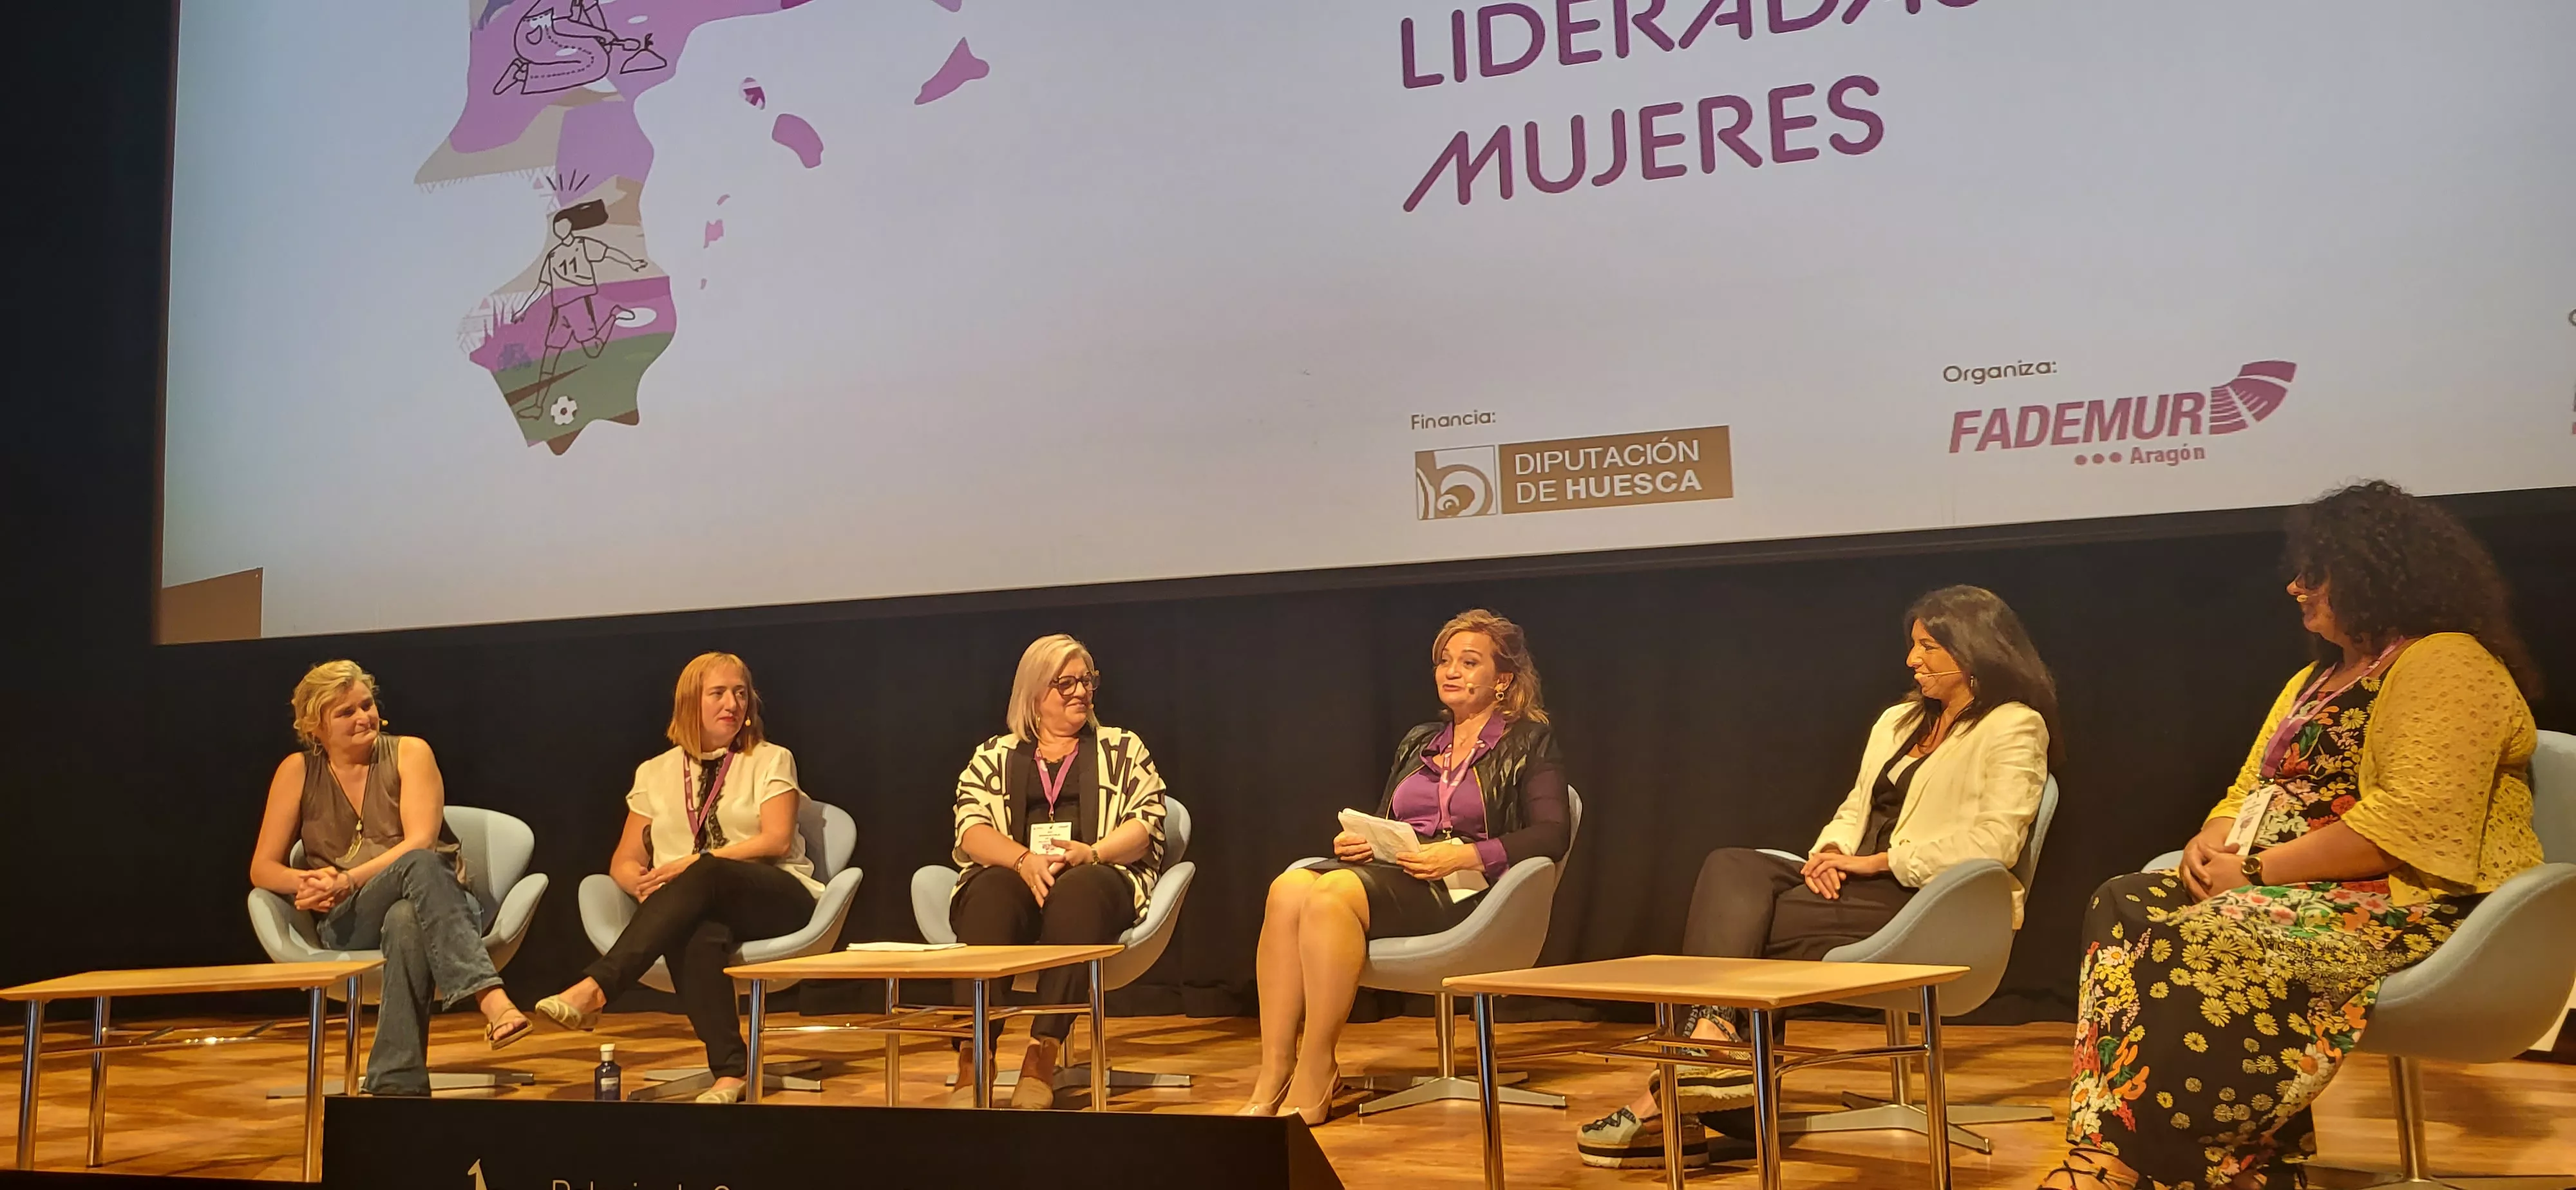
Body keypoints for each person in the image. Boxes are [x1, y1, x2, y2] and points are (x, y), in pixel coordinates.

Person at [2053, 481, 2544, 1190]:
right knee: (2124, 902)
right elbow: (2249, 787)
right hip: (2288, 885)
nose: (2294, 587)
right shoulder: (2313, 679)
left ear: (2375, 572)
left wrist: (2254, 876)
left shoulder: (2446, 660)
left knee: (2219, 928)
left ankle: (2167, 1167)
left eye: (2313, 572)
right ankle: (2154, 1154)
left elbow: (2408, 821)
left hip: (2407, 903)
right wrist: (2213, 840)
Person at [1579, 585, 2059, 1169]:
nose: (1912, 661)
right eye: (1913, 646)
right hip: (1860, 888)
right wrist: (1830, 853)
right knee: (1733, 866)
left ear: (1976, 650)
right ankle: (1713, 1063)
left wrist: (1876, 862)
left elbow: (1996, 844)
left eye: (1929, 647)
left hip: (1931, 902)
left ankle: (1697, 1090)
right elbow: (1858, 805)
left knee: (1754, 926)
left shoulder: (2014, 725)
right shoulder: (1899, 720)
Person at [1244, 609, 1573, 1124]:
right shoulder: (1421, 740)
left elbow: (1553, 833)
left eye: (1469, 662)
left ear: (1503, 679)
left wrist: (1466, 854)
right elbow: (1387, 818)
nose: (1451, 671)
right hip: (1400, 875)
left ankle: (1317, 1065)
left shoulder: (1529, 741)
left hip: (1467, 890)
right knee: (1288, 888)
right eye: (1444, 661)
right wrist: (1359, 842)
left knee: (1332, 897)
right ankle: (1275, 1065)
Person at [532, 652, 820, 1105]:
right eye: (719, 693)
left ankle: (598, 986)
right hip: (692, 904)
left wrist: (691, 865)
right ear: (690, 703)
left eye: (741, 693)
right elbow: (625, 859)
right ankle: (730, 1072)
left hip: (774, 895)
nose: (733, 703)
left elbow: (777, 841)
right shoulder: (654, 772)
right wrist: (638, 884)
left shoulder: (771, 759)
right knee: (699, 932)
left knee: (705, 870)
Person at [249, 661, 531, 1096]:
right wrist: (308, 884)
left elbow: (420, 841)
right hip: (350, 918)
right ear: (314, 727)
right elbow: (262, 868)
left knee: (407, 914)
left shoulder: (410, 752)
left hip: (444, 907)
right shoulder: (297, 771)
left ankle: (396, 1083)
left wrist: (347, 878)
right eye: (345, 713)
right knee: (415, 873)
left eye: (367, 705)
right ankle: (489, 997)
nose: (364, 717)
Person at [944, 634, 1168, 1110]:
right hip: (1018, 873)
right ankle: (973, 1055)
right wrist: (1023, 861)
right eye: (1065, 683)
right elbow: (971, 828)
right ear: (1033, 695)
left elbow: (1145, 823)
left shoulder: (1122, 747)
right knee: (990, 894)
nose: (1080, 692)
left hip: (1096, 873)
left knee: (1079, 890)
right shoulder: (994, 754)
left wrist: (1095, 852)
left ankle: (1041, 1052)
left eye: (1087, 680)